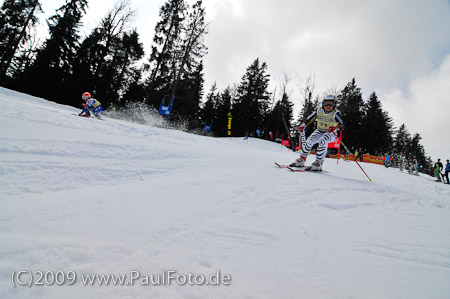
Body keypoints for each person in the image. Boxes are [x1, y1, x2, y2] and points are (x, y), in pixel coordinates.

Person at [289, 95, 344, 171]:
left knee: (323, 141)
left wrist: (335, 127)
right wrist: (303, 125)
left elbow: (342, 124)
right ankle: (302, 159)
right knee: (309, 141)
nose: (328, 106)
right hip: (319, 130)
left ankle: (318, 163)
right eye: (326, 104)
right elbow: (310, 119)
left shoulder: (336, 113)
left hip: (330, 133)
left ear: (334, 104)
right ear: (323, 103)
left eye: (331, 104)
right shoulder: (319, 110)